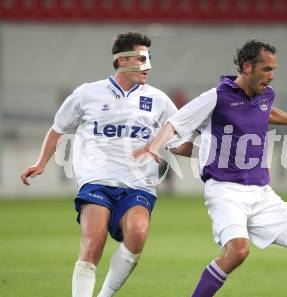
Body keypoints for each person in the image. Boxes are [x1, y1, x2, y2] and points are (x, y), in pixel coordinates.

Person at [134, 40, 287, 297]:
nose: (272, 76)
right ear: (247, 67)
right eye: (267, 69)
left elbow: (267, 111)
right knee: (237, 251)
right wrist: (154, 146)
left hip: (261, 192)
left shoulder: (264, 95)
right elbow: (174, 123)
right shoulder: (216, 97)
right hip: (225, 190)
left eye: (274, 70)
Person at [20, 32, 191, 297]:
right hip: (97, 179)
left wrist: (208, 153)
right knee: (93, 243)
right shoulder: (87, 94)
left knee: (137, 235)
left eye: (149, 58)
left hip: (138, 184)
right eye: (141, 58)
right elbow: (57, 129)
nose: (148, 65)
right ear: (122, 60)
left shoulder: (159, 100)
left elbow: (176, 141)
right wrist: (41, 162)